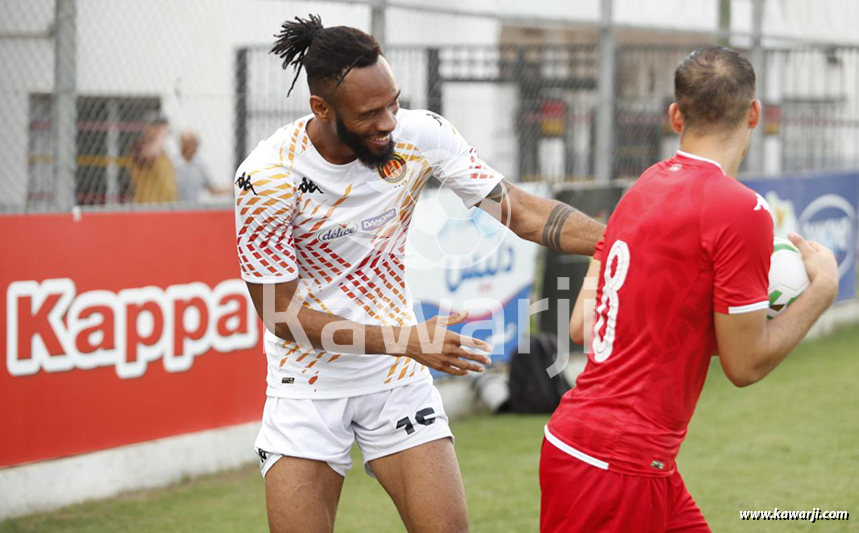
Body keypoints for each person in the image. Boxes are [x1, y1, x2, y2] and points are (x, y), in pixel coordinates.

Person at [234, 14, 605, 533]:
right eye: (370, 113)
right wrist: (406, 340)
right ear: (321, 108)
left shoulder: (419, 135)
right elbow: (279, 314)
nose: (388, 121)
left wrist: (620, 243)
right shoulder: (266, 177)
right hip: (308, 386)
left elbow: (519, 211)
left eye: (394, 102)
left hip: (396, 379)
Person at [540, 46, 840, 532]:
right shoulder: (744, 210)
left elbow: (584, 328)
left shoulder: (643, 187)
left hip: (600, 451)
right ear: (755, 113)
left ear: (676, 115)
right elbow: (746, 365)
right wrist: (820, 292)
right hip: (619, 465)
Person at [128, 114, 177, 203]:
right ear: (147, 128)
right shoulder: (139, 146)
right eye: (157, 126)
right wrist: (161, 135)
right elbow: (151, 155)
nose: (160, 130)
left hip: (167, 206)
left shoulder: (163, 151)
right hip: (148, 206)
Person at [174, 130, 231, 202]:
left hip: (193, 208)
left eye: (196, 143)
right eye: (192, 143)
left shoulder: (199, 166)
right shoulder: (173, 165)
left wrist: (235, 188)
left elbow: (212, 189)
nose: (195, 147)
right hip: (175, 209)